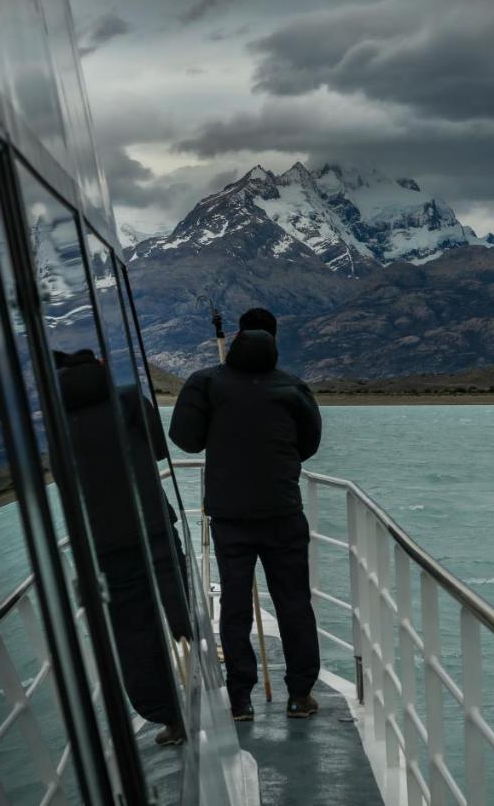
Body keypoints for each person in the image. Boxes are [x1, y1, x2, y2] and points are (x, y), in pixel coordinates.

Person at [168, 307, 322, 721]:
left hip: (230, 518)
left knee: (234, 607)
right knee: (294, 603)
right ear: (274, 339)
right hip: (283, 513)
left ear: (235, 337)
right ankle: (299, 695)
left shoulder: (207, 383)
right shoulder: (293, 388)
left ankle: (239, 699)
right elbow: (308, 446)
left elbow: (186, 440)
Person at [54, 349, 190, 747]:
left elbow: (66, 485)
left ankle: (169, 718)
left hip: (107, 548)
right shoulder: (129, 398)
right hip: (154, 528)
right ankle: (211, 688)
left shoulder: (61, 427)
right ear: (100, 369)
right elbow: (159, 450)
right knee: (181, 611)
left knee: (133, 636)